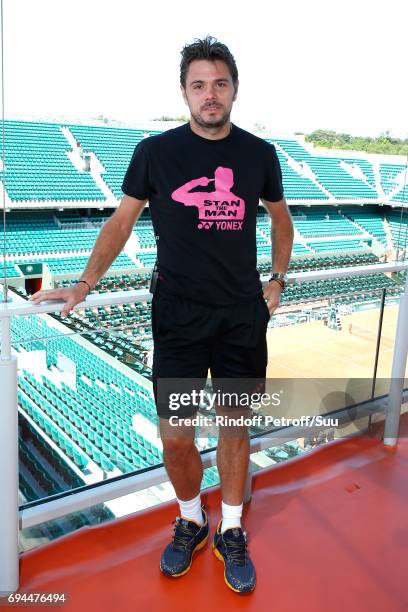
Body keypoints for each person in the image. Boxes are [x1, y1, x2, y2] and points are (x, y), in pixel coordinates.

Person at [29, 35, 294, 594]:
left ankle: (234, 529)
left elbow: (279, 219)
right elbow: (121, 222)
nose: (210, 94)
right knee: (176, 437)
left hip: (241, 316)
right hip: (176, 316)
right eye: (199, 85)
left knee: (235, 429)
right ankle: (191, 518)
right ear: (184, 92)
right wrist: (83, 283)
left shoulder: (258, 154)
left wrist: (276, 278)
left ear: (235, 89)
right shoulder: (155, 151)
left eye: (220, 83)